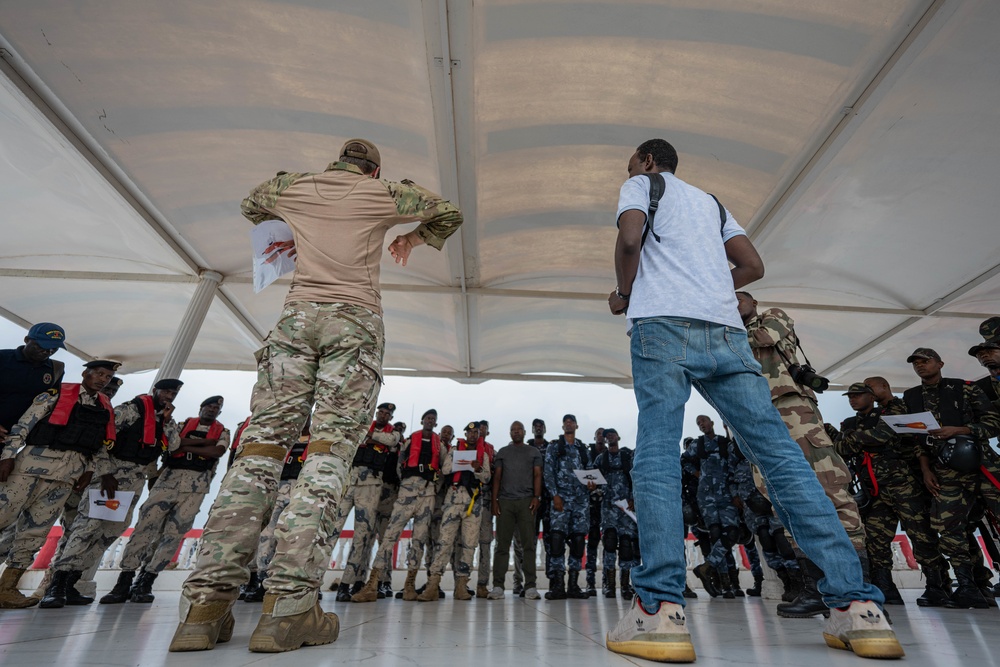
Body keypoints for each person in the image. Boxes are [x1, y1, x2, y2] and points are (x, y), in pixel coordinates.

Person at [605, 139, 900, 662]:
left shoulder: (641, 185)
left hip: (661, 330)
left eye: (633, 161)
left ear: (648, 161)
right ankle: (857, 607)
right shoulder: (712, 203)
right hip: (725, 335)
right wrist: (715, 286)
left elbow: (630, 239)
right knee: (783, 457)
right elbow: (752, 265)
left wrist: (625, 292)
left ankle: (660, 611)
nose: (629, 168)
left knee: (656, 455)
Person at [171, 139, 462, 653]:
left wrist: (293, 233)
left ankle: (204, 607)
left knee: (258, 451)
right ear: (373, 169)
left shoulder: (293, 186)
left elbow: (251, 205)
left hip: (294, 321)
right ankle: (288, 608)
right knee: (327, 452)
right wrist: (411, 240)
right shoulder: (382, 193)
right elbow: (447, 213)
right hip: (352, 322)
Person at [737, 290, 870, 619]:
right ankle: (816, 588)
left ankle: (861, 591)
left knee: (831, 489)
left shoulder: (772, 317)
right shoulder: (726, 333)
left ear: (753, 303)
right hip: (753, 419)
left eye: (737, 298)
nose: (730, 303)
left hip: (792, 410)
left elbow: (763, 337)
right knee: (784, 502)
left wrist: (724, 331)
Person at [41, 378, 183, 608]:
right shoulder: (130, 409)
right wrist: (105, 473)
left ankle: (72, 583)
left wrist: (166, 421)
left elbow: (174, 445)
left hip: (134, 481)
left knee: (109, 533)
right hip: (111, 478)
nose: (169, 396)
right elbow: (101, 438)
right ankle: (56, 585)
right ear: (155, 390)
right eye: (166, 391)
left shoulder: (165, 419)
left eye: (173, 393)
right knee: (87, 528)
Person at [0, 359, 117, 609]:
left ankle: (7, 588)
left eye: (107, 377)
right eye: (99, 374)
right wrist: (8, 456)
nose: (102, 379)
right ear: (86, 373)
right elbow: (23, 426)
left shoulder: (104, 407)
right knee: (2, 518)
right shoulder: (57, 393)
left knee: (35, 533)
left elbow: (98, 444)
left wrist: (90, 471)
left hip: (66, 477)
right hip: (29, 468)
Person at [103, 396, 229, 605]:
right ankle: (124, 581)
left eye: (217, 408)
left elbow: (216, 451)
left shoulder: (223, 431)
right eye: (209, 406)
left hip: (195, 489)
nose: (212, 410)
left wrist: (186, 446)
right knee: (144, 528)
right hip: (167, 482)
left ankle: (146, 581)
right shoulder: (180, 425)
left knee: (173, 534)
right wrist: (202, 443)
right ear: (201, 407)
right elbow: (172, 445)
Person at [834, 380, 946, 607]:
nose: (853, 399)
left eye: (858, 395)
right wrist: (856, 439)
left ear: (871, 397)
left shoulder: (890, 415)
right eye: (850, 396)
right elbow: (841, 449)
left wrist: (854, 439)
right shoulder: (850, 422)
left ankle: (937, 586)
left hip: (902, 485)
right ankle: (885, 587)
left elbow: (881, 436)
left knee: (921, 534)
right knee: (876, 539)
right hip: (873, 490)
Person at [904, 347, 1000, 609]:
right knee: (948, 526)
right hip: (944, 470)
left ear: (940, 363)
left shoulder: (965, 388)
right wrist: (925, 470)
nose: (920, 366)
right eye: (916, 363)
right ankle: (968, 586)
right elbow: (917, 440)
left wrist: (961, 429)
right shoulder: (911, 397)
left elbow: (993, 422)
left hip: (982, 463)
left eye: (926, 361)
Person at [353, 409, 446, 603]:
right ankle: (372, 584)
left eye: (433, 419)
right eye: (428, 417)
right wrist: (405, 482)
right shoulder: (412, 439)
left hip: (428, 494)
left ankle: (409, 585)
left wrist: (435, 487)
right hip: (407, 492)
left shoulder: (440, 444)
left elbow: (444, 468)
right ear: (422, 420)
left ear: (435, 423)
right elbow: (399, 461)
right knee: (390, 535)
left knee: (419, 539)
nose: (430, 421)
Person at [331, 403, 398, 601]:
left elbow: (391, 441)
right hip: (350, 482)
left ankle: (346, 584)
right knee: (332, 530)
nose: (384, 415)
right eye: (381, 412)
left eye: (388, 413)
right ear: (376, 413)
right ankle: (315, 582)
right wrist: (369, 436)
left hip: (371, 486)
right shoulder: (362, 426)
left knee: (361, 536)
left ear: (391, 416)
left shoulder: (392, 433)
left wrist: (369, 436)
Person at [419, 422, 491, 601]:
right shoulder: (454, 449)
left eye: (476, 432)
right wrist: (463, 462)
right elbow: (445, 469)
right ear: (465, 434)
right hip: (453, 500)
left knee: (469, 545)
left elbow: (487, 477)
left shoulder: (484, 455)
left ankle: (461, 586)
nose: (473, 435)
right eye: (470, 432)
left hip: (473, 504)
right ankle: (433, 585)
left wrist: (478, 469)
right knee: (444, 542)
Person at [246, 418, 311, 603]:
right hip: (279, 487)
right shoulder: (287, 438)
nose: (305, 420)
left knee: (294, 537)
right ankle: (262, 581)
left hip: (301, 490)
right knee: (268, 535)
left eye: (308, 417)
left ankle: (289, 581)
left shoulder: (315, 440)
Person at [487, 420, 543, 600]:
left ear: (525, 432)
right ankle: (497, 586)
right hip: (505, 502)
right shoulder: (503, 452)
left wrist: (536, 497)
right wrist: (495, 501)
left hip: (526, 502)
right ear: (510, 433)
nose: (516, 432)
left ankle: (531, 586)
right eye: (513, 429)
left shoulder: (533, 452)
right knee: (501, 546)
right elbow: (497, 477)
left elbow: (537, 475)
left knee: (528, 545)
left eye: (519, 429)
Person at [689, 415, 742, 599]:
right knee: (716, 535)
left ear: (711, 423)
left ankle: (707, 567)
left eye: (703, 421)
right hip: (706, 497)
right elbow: (684, 460)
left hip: (726, 495)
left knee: (732, 533)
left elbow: (735, 466)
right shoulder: (697, 445)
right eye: (698, 424)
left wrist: (735, 493)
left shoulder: (723, 443)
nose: (701, 425)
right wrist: (696, 472)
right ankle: (726, 585)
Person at [543, 413, 590, 600]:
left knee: (578, 542)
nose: (568, 424)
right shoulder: (555, 447)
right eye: (566, 422)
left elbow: (590, 471)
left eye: (571, 422)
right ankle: (558, 585)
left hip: (580, 501)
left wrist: (592, 483)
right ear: (563, 427)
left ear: (576, 426)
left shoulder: (582, 449)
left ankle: (573, 585)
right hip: (560, 500)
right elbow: (548, 472)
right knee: (557, 541)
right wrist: (555, 495)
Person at [592, 428, 637, 599]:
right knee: (609, 543)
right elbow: (593, 481)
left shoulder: (628, 457)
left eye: (612, 434)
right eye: (606, 435)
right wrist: (591, 485)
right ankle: (609, 584)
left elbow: (636, 478)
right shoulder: (600, 459)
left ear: (618, 437)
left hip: (626, 507)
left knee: (626, 545)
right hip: (608, 507)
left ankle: (625, 585)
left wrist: (634, 498)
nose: (609, 437)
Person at [0, 323, 67, 437]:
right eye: (42, 346)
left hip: (13, 438)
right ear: (26, 340)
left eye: (54, 348)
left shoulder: (56, 369)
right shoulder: (2, 358)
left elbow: (47, 405)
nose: (48, 351)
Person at [474, 420, 496, 598]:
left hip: (486, 501)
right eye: (478, 430)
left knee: (485, 543)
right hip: (466, 500)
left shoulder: (492, 450)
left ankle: (482, 583)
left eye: (484, 430)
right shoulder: (464, 448)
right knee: (462, 543)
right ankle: (461, 581)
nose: (481, 432)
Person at [585, 427, 607, 596]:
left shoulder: (611, 455)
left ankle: (607, 581)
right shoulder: (587, 453)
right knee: (592, 544)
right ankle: (590, 582)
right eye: (598, 433)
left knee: (610, 543)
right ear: (595, 436)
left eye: (603, 434)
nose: (601, 436)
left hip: (608, 506)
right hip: (591, 505)